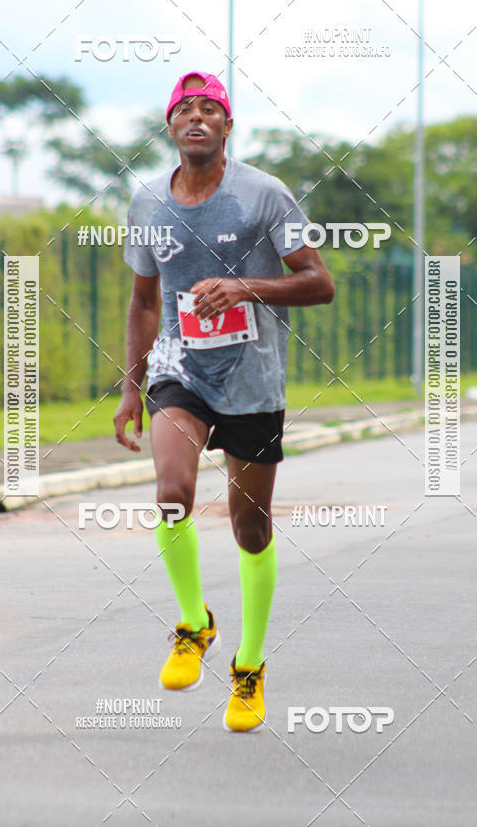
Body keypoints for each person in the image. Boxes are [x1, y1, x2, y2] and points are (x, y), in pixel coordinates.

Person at [114, 70, 334, 733]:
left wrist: (244, 289)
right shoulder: (148, 202)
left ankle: (250, 664)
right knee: (171, 491)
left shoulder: (264, 195)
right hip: (181, 369)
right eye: (186, 109)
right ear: (171, 126)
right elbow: (144, 300)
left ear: (228, 126)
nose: (198, 118)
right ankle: (193, 622)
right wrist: (131, 384)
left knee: (250, 528)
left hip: (253, 381)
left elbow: (319, 284)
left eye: (211, 109)